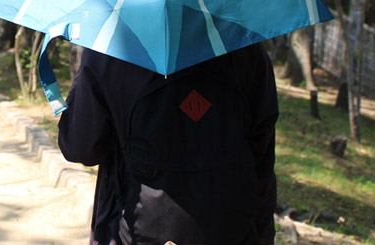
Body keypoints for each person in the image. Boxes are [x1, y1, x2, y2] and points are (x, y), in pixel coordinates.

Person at [58, 43, 278, 245]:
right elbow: (262, 155)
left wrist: (83, 78)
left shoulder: (112, 47)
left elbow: (80, 148)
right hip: (232, 229)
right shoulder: (243, 46)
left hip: (134, 228)